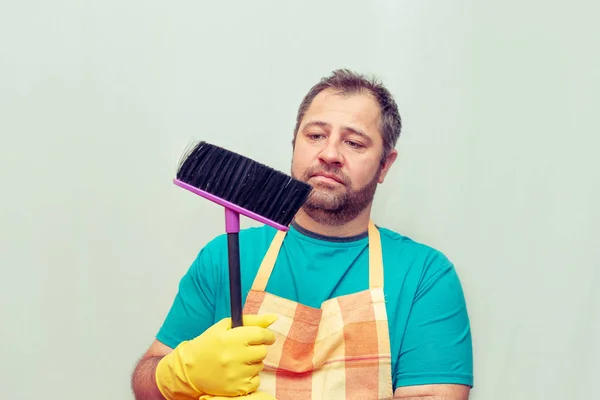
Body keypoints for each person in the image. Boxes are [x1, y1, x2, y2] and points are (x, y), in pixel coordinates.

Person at [131, 69, 474, 400]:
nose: (329, 154)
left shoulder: (424, 275)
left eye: (353, 142)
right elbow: (146, 383)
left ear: (385, 165)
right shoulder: (225, 256)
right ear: (295, 144)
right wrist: (177, 375)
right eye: (315, 136)